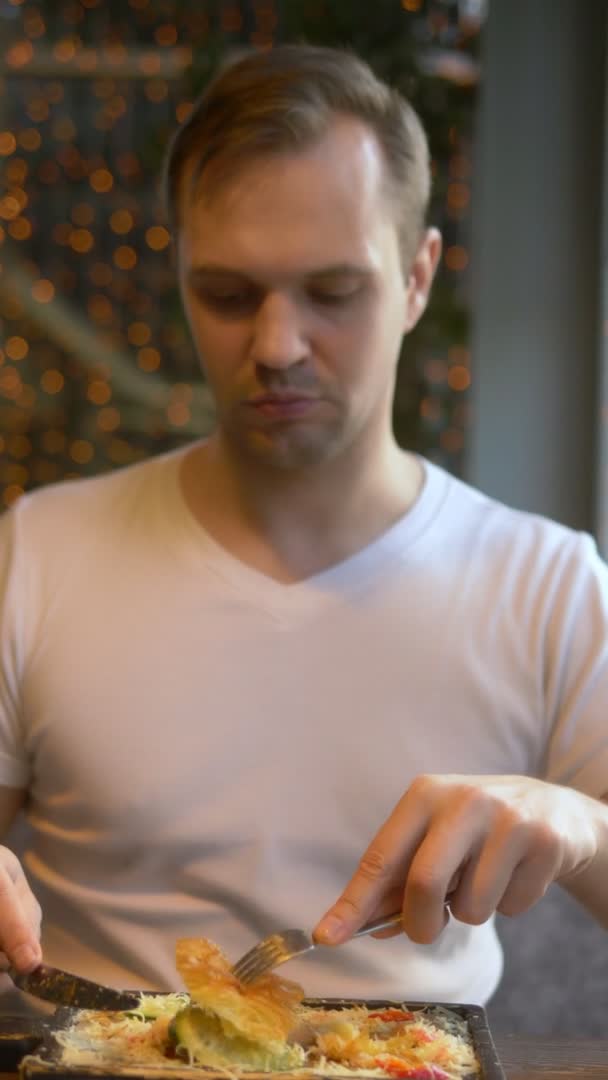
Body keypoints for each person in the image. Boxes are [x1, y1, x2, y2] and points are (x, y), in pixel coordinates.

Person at [0, 42, 607, 1010]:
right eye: (228, 295)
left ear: (416, 278)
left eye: (332, 293)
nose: (276, 346)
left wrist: (581, 821)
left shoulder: (545, 582)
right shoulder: (39, 550)